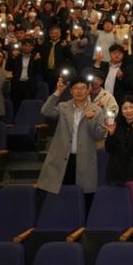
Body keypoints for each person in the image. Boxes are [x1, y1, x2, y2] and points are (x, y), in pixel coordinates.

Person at [37, 76, 106, 210]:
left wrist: (91, 120)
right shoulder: (63, 106)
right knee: (61, 196)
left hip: (84, 159)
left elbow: (99, 135)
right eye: (76, 88)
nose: (79, 91)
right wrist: (58, 92)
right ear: (71, 91)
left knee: (84, 197)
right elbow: (45, 111)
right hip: (62, 158)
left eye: (83, 88)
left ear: (88, 90)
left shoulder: (96, 110)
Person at [104, 96, 133, 219]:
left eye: (132, 107)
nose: (129, 110)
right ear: (121, 110)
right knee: (118, 207)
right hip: (116, 172)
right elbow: (109, 149)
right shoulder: (115, 125)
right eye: (125, 108)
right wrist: (111, 134)